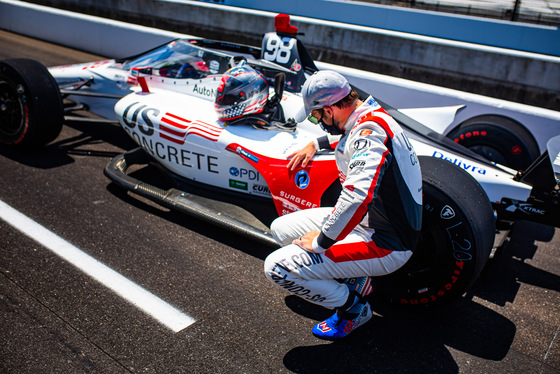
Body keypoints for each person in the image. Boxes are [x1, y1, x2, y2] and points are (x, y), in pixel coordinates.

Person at [263, 70, 423, 340]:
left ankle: (354, 309)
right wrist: (315, 143)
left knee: (277, 269)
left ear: (330, 109)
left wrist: (321, 242)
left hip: (385, 242)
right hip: (372, 223)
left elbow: (356, 196)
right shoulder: (370, 117)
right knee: (280, 229)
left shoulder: (370, 132)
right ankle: (355, 278)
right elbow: (350, 137)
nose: (317, 122)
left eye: (316, 116)